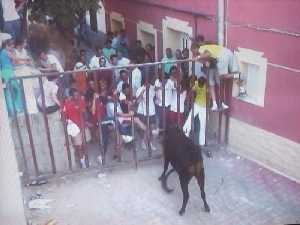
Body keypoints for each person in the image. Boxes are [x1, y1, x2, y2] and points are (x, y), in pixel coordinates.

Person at [197, 43, 239, 110]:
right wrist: (204, 62)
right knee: (213, 86)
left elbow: (209, 56)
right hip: (211, 70)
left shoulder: (205, 50)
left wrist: (201, 58)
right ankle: (216, 104)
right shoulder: (205, 51)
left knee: (219, 84)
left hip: (216, 68)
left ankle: (220, 103)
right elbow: (204, 63)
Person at [63, 88, 88, 169]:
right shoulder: (67, 104)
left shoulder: (81, 101)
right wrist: (68, 121)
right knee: (79, 146)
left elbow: (85, 114)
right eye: (75, 95)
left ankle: (85, 159)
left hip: (83, 126)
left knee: (85, 144)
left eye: (78, 95)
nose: (77, 97)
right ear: (71, 96)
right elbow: (64, 117)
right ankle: (82, 161)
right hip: (75, 129)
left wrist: (84, 112)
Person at [0, 38, 23, 116]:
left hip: (6, 72)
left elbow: (14, 62)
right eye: (11, 46)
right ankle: (16, 109)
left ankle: (13, 110)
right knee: (15, 90)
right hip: (7, 72)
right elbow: (15, 59)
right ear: (6, 46)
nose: (12, 47)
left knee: (11, 91)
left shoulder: (4, 53)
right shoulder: (4, 51)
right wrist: (25, 59)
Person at [183, 77, 208, 147]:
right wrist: (188, 100)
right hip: (197, 105)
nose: (200, 86)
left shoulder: (206, 86)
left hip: (203, 107)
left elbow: (209, 95)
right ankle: (185, 134)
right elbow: (191, 91)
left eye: (201, 85)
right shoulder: (196, 84)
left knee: (203, 125)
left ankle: (202, 143)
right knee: (190, 119)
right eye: (199, 84)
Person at [135, 75, 157, 150]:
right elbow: (137, 101)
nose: (150, 83)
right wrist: (143, 91)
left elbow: (154, 96)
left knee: (153, 129)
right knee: (146, 129)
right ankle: (144, 142)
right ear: (145, 82)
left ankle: (150, 143)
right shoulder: (139, 89)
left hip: (152, 111)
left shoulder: (152, 88)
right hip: (143, 112)